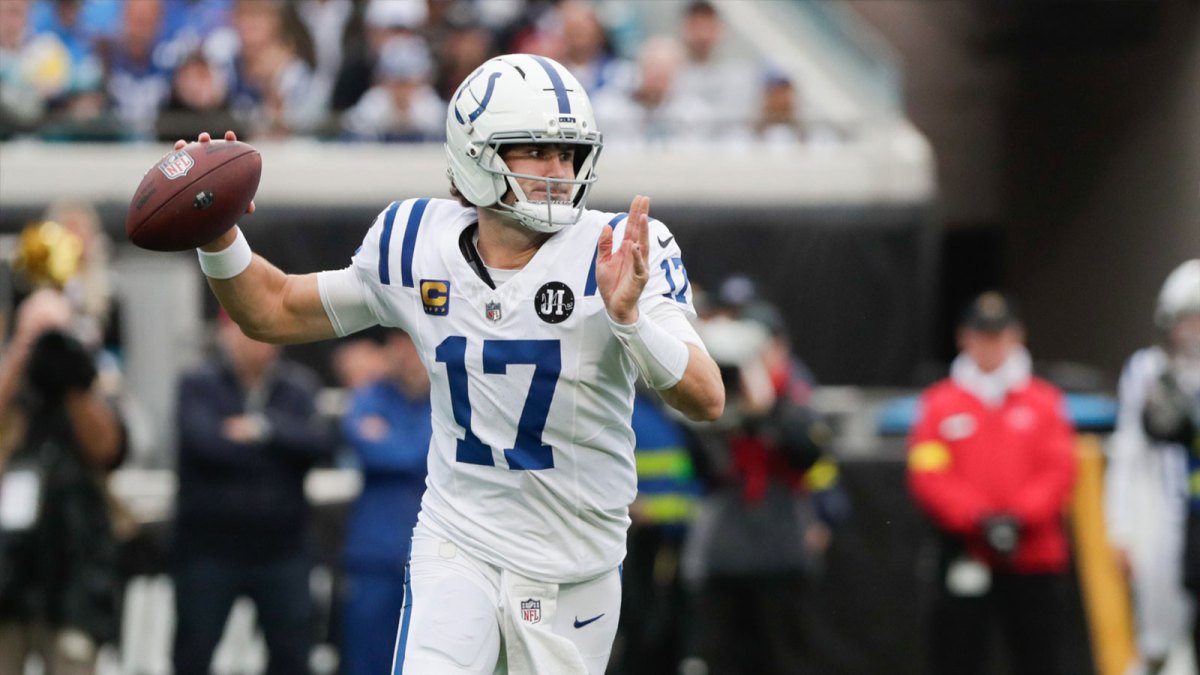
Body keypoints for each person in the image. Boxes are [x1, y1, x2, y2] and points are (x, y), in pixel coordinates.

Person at [169, 51, 723, 674]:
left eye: (568, 154)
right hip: (460, 543)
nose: (558, 170)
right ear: (476, 154)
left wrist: (631, 321)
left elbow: (706, 397)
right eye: (536, 150)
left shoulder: (619, 248)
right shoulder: (415, 242)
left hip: (578, 565)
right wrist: (218, 233)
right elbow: (271, 310)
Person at [906, 291, 1078, 675]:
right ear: (964, 338)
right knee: (957, 657)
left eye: (998, 335)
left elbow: (1058, 471)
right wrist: (978, 518)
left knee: (1039, 658)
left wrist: (1017, 518)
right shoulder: (940, 404)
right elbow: (928, 472)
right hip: (966, 553)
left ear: (1016, 337)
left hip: (1034, 558)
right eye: (981, 334)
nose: (990, 345)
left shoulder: (1044, 402)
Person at [171, 312, 335, 675]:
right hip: (209, 550)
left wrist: (264, 430)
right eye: (248, 332)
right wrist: (281, 452)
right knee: (193, 653)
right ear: (227, 335)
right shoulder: (198, 383)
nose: (259, 343)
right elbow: (205, 446)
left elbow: (321, 445)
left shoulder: (298, 387)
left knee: (293, 655)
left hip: (282, 549)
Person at [679, 314, 838, 675]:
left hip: (780, 553)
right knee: (717, 657)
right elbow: (703, 465)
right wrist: (720, 406)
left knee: (782, 656)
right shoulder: (716, 398)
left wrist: (768, 409)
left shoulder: (794, 398)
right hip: (722, 556)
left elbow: (810, 453)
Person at [0, 289, 127, 675]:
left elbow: (108, 449)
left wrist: (74, 373)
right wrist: (23, 351)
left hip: (75, 571)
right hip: (7, 573)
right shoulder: (13, 388)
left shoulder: (88, 383)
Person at [1106, 258, 1200, 674]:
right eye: (1189, 320)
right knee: (1158, 637)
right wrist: (1121, 527)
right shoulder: (1148, 370)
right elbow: (1128, 454)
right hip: (1163, 517)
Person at [339, 328, 432, 675]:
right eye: (397, 342)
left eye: (413, 341)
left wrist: (390, 439)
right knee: (367, 662)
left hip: (434, 560)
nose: (405, 352)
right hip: (374, 556)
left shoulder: (449, 398)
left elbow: (424, 453)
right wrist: (422, 449)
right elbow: (370, 450)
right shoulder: (368, 396)